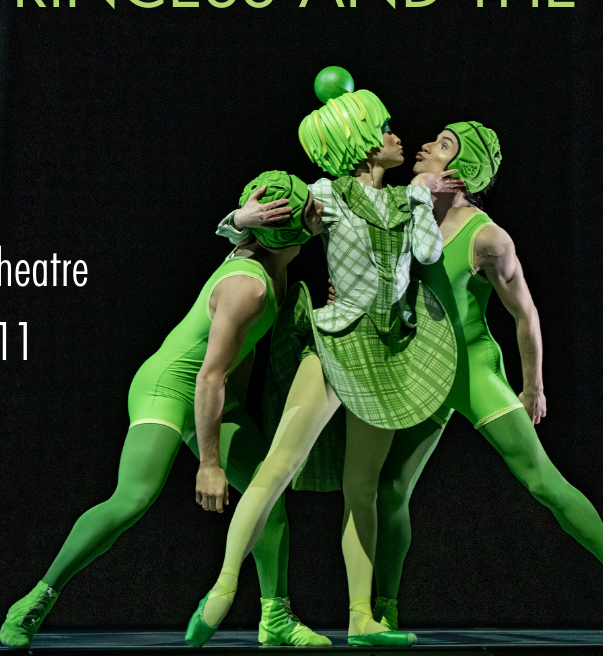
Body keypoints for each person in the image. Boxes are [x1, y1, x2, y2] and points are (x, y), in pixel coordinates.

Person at [186, 68, 465, 648]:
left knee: (360, 485)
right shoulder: (323, 195)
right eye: (385, 127)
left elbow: (427, 252)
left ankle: (362, 617)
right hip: (337, 342)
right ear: (360, 138)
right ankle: (223, 587)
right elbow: (246, 228)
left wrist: (424, 200)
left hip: (388, 351)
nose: (397, 136)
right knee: (277, 467)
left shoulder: (404, 198)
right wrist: (240, 219)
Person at [0, 172, 331, 650]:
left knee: (267, 494)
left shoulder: (270, 260)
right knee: (133, 498)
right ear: (286, 231)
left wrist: (239, 218)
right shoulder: (248, 286)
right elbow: (207, 376)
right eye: (306, 209)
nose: (318, 209)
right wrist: (210, 463)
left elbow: (238, 357)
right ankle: (36, 598)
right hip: (169, 385)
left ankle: (275, 617)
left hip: (214, 394)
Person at [366, 122, 603, 646]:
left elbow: (525, 314)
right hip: (426, 374)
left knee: (542, 482)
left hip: (473, 372)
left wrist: (534, 387)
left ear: (462, 171)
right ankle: (383, 612)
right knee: (390, 488)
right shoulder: (405, 212)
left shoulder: (487, 237)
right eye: (434, 139)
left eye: (443, 145)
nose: (426, 147)